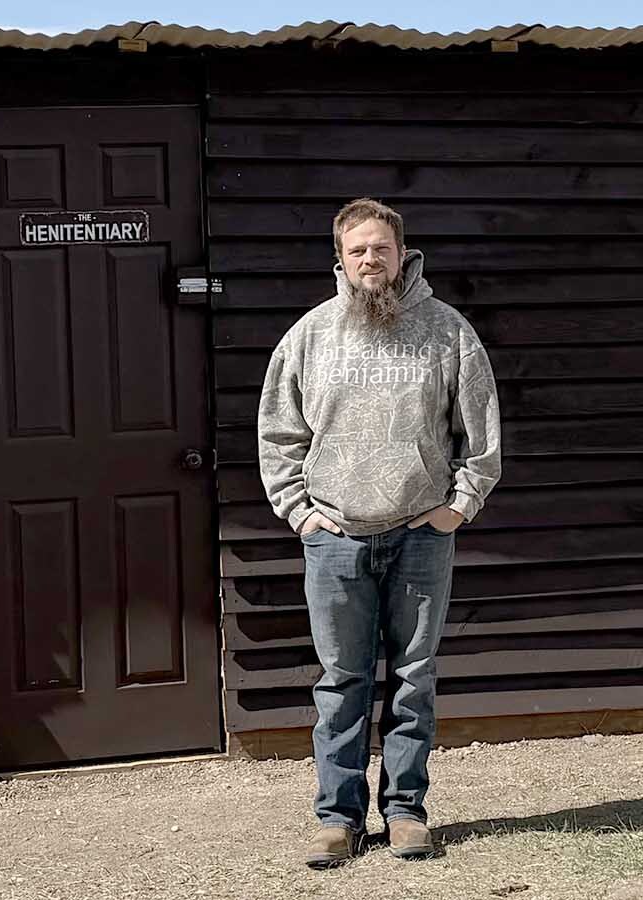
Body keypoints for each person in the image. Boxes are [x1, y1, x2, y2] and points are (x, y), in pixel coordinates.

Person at [256, 198, 502, 869]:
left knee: (414, 677)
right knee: (342, 680)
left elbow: (480, 435)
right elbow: (279, 433)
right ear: (340, 257)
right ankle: (337, 818)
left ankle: (404, 812)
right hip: (335, 538)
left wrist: (458, 504)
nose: (371, 260)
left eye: (381, 249)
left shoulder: (448, 332)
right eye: (358, 249)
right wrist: (301, 511)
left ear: (403, 255)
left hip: (421, 535)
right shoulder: (310, 335)